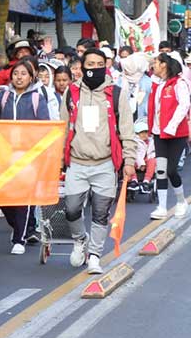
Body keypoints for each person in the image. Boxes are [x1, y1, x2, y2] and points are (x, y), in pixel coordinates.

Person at [61, 49, 137, 275]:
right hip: (76, 162)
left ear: (106, 65)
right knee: (71, 209)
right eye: (90, 63)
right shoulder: (71, 92)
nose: (94, 67)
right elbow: (62, 128)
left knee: (101, 212)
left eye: (99, 63)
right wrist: (57, 159)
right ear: (82, 67)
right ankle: (79, 240)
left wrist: (130, 159)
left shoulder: (116, 93)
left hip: (105, 164)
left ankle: (94, 255)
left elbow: (127, 129)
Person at [0, 59, 51, 255]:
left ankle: (19, 238)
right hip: (5, 155)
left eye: (23, 74)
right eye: (16, 73)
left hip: (29, 157)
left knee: (23, 197)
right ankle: (17, 228)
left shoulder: (37, 98)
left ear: (31, 77)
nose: (19, 77)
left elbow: (45, 126)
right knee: (4, 197)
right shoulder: (3, 96)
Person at [146, 52, 190, 219]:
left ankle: (180, 201)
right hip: (159, 134)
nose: (153, 66)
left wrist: (171, 126)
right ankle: (161, 207)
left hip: (176, 134)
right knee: (161, 170)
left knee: (172, 170)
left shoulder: (179, 83)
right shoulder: (157, 85)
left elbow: (184, 105)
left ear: (164, 64)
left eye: (156, 62)